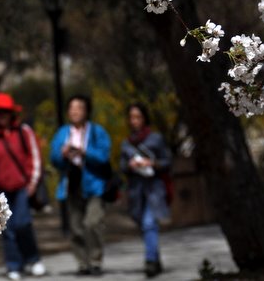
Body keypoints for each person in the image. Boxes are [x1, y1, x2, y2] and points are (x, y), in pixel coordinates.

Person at [0, 93, 46, 280]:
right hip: (2, 190)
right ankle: (13, 265)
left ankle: (33, 259)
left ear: (11, 113)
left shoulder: (24, 132)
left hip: (23, 187)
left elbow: (35, 157)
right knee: (7, 229)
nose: (2, 116)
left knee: (23, 224)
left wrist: (33, 182)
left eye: (5, 112)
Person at [49, 95, 111, 276]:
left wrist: (85, 152)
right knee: (76, 227)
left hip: (94, 184)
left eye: (79, 107)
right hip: (71, 184)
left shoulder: (97, 132)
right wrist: (63, 154)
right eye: (72, 108)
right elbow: (54, 159)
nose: (75, 111)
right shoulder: (62, 133)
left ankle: (96, 260)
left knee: (92, 222)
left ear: (86, 111)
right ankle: (83, 263)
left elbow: (103, 157)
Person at [120, 103, 172, 278]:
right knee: (144, 226)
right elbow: (122, 168)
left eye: (138, 117)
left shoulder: (155, 139)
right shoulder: (126, 144)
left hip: (154, 188)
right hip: (136, 191)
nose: (135, 121)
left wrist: (152, 163)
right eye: (132, 117)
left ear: (144, 118)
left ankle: (150, 261)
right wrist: (131, 165)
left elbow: (167, 162)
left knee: (149, 223)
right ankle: (156, 260)